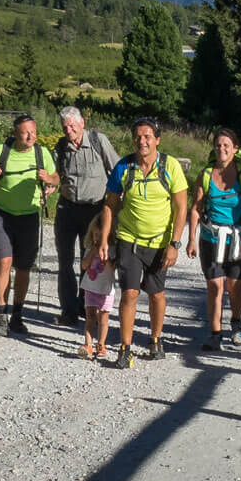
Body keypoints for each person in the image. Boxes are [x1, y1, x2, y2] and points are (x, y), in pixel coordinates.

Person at [98, 117, 189, 368]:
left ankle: (156, 338)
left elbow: (181, 207)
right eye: (138, 136)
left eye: (148, 136)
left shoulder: (170, 167)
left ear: (157, 140)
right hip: (129, 240)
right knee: (129, 293)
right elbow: (110, 205)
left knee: (156, 294)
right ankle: (125, 348)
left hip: (159, 242)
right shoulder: (124, 167)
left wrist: (175, 244)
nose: (142, 141)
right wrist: (105, 239)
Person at [0, 114, 59, 337]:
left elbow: (56, 178)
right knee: (4, 262)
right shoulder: (1, 151)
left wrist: (49, 180)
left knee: (24, 267)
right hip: (2, 215)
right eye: (26, 132)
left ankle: (17, 315)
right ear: (15, 133)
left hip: (29, 217)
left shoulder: (42, 153)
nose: (31, 136)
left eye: (34, 132)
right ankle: (1, 315)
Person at [187, 128, 241, 351]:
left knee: (235, 288)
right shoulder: (206, 175)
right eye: (218, 145)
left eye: (226, 145)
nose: (222, 149)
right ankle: (215, 333)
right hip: (211, 239)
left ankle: (236, 322)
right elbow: (196, 208)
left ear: (235, 149)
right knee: (215, 288)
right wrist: (191, 238)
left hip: (239, 239)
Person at [52, 106, 122, 328]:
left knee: (90, 260)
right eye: (65, 127)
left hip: (94, 211)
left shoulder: (98, 141)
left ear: (82, 123)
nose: (69, 130)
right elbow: (55, 174)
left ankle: (86, 306)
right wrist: (48, 184)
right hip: (66, 209)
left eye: (72, 125)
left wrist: (116, 203)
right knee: (64, 261)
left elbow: (118, 169)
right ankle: (68, 312)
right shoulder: (61, 147)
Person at [78, 215, 116, 360]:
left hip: (106, 290)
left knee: (103, 319)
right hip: (90, 287)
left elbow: (112, 269)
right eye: (96, 235)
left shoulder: (111, 249)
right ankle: (88, 344)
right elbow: (84, 265)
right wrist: (93, 251)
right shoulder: (90, 248)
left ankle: (101, 344)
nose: (98, 239)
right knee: (90, 318)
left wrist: (104, 257)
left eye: (102, 236)